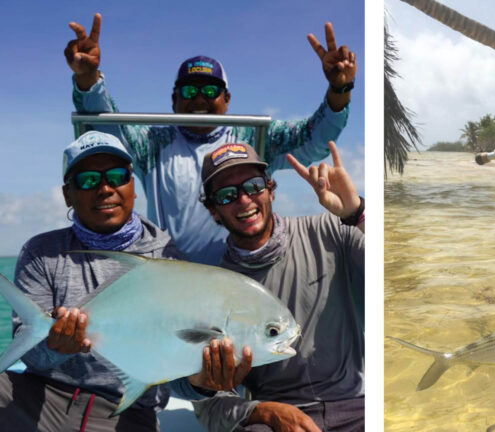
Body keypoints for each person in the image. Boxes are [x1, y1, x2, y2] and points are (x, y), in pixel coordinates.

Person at [64, 13, 357, 265]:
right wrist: (89, 80)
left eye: (210, 91)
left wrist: (339, 88)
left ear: (227, 99)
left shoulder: (252, 137)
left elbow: (314, 139)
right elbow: (106, 130)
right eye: (189, 92)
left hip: (243, 272)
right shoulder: (152, 144)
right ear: (174, 101)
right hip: (172, 277)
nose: (199, 99)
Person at [171, 141, 364, 431]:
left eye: (253, 186)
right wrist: (260, 411)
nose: (244, 200)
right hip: (277, 415)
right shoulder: (211, 286)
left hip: (356, 403)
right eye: (226, 195)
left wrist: (358, 214)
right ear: (212, 210)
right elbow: (208, 401)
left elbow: (402, 270)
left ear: (270, 189)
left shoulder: (334, 229)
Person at [0, 131, 184, 431]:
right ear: (67, 194)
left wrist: (205, 382)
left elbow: (176, 361)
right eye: (88, 180)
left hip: (124, 409)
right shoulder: (41, 253)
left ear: (133, 186)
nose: (105, 188)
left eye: (116, 176)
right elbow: (33, 357)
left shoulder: (168, 260)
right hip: (42, 399)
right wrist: (56, 346)